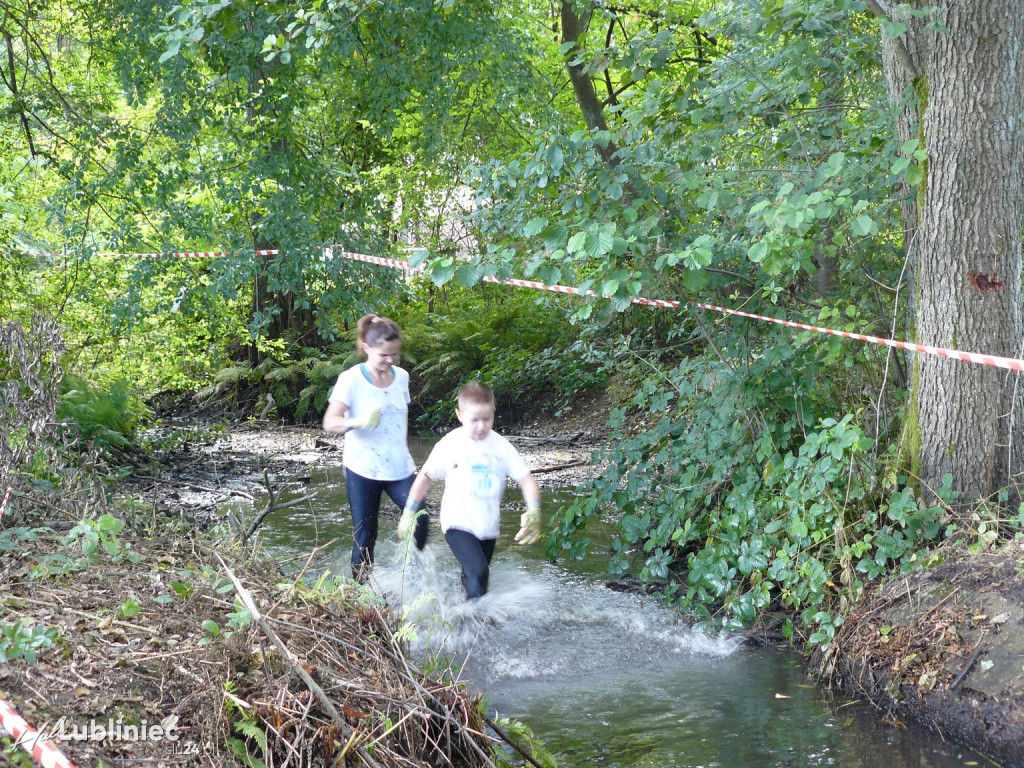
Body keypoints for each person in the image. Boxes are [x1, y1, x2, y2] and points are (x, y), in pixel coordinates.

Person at [397, 381, 542, 599]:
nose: (482, 426)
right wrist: (409, 513)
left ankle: (460, 616)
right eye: (474, 420)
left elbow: (526, 480)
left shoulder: (501, 446)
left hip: (488, 526)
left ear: (493, 412)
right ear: (459, 415)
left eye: (487, 419)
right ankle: (477, 628)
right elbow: (425, 478)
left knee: (474, 577)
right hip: (457, 523)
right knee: (479, 573)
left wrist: (534, 510)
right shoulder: (451, 444)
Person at [323, 314, 427, 581]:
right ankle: (360, 595)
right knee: (366, 536)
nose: (390, 360)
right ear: (366, 348)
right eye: (384, 355)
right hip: (363, 469)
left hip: (399, 468)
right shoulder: (351, 379)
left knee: (421, 520)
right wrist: (358, 421)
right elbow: (330, 422)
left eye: (395, 354)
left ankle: (412, 582)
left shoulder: (402, 377)